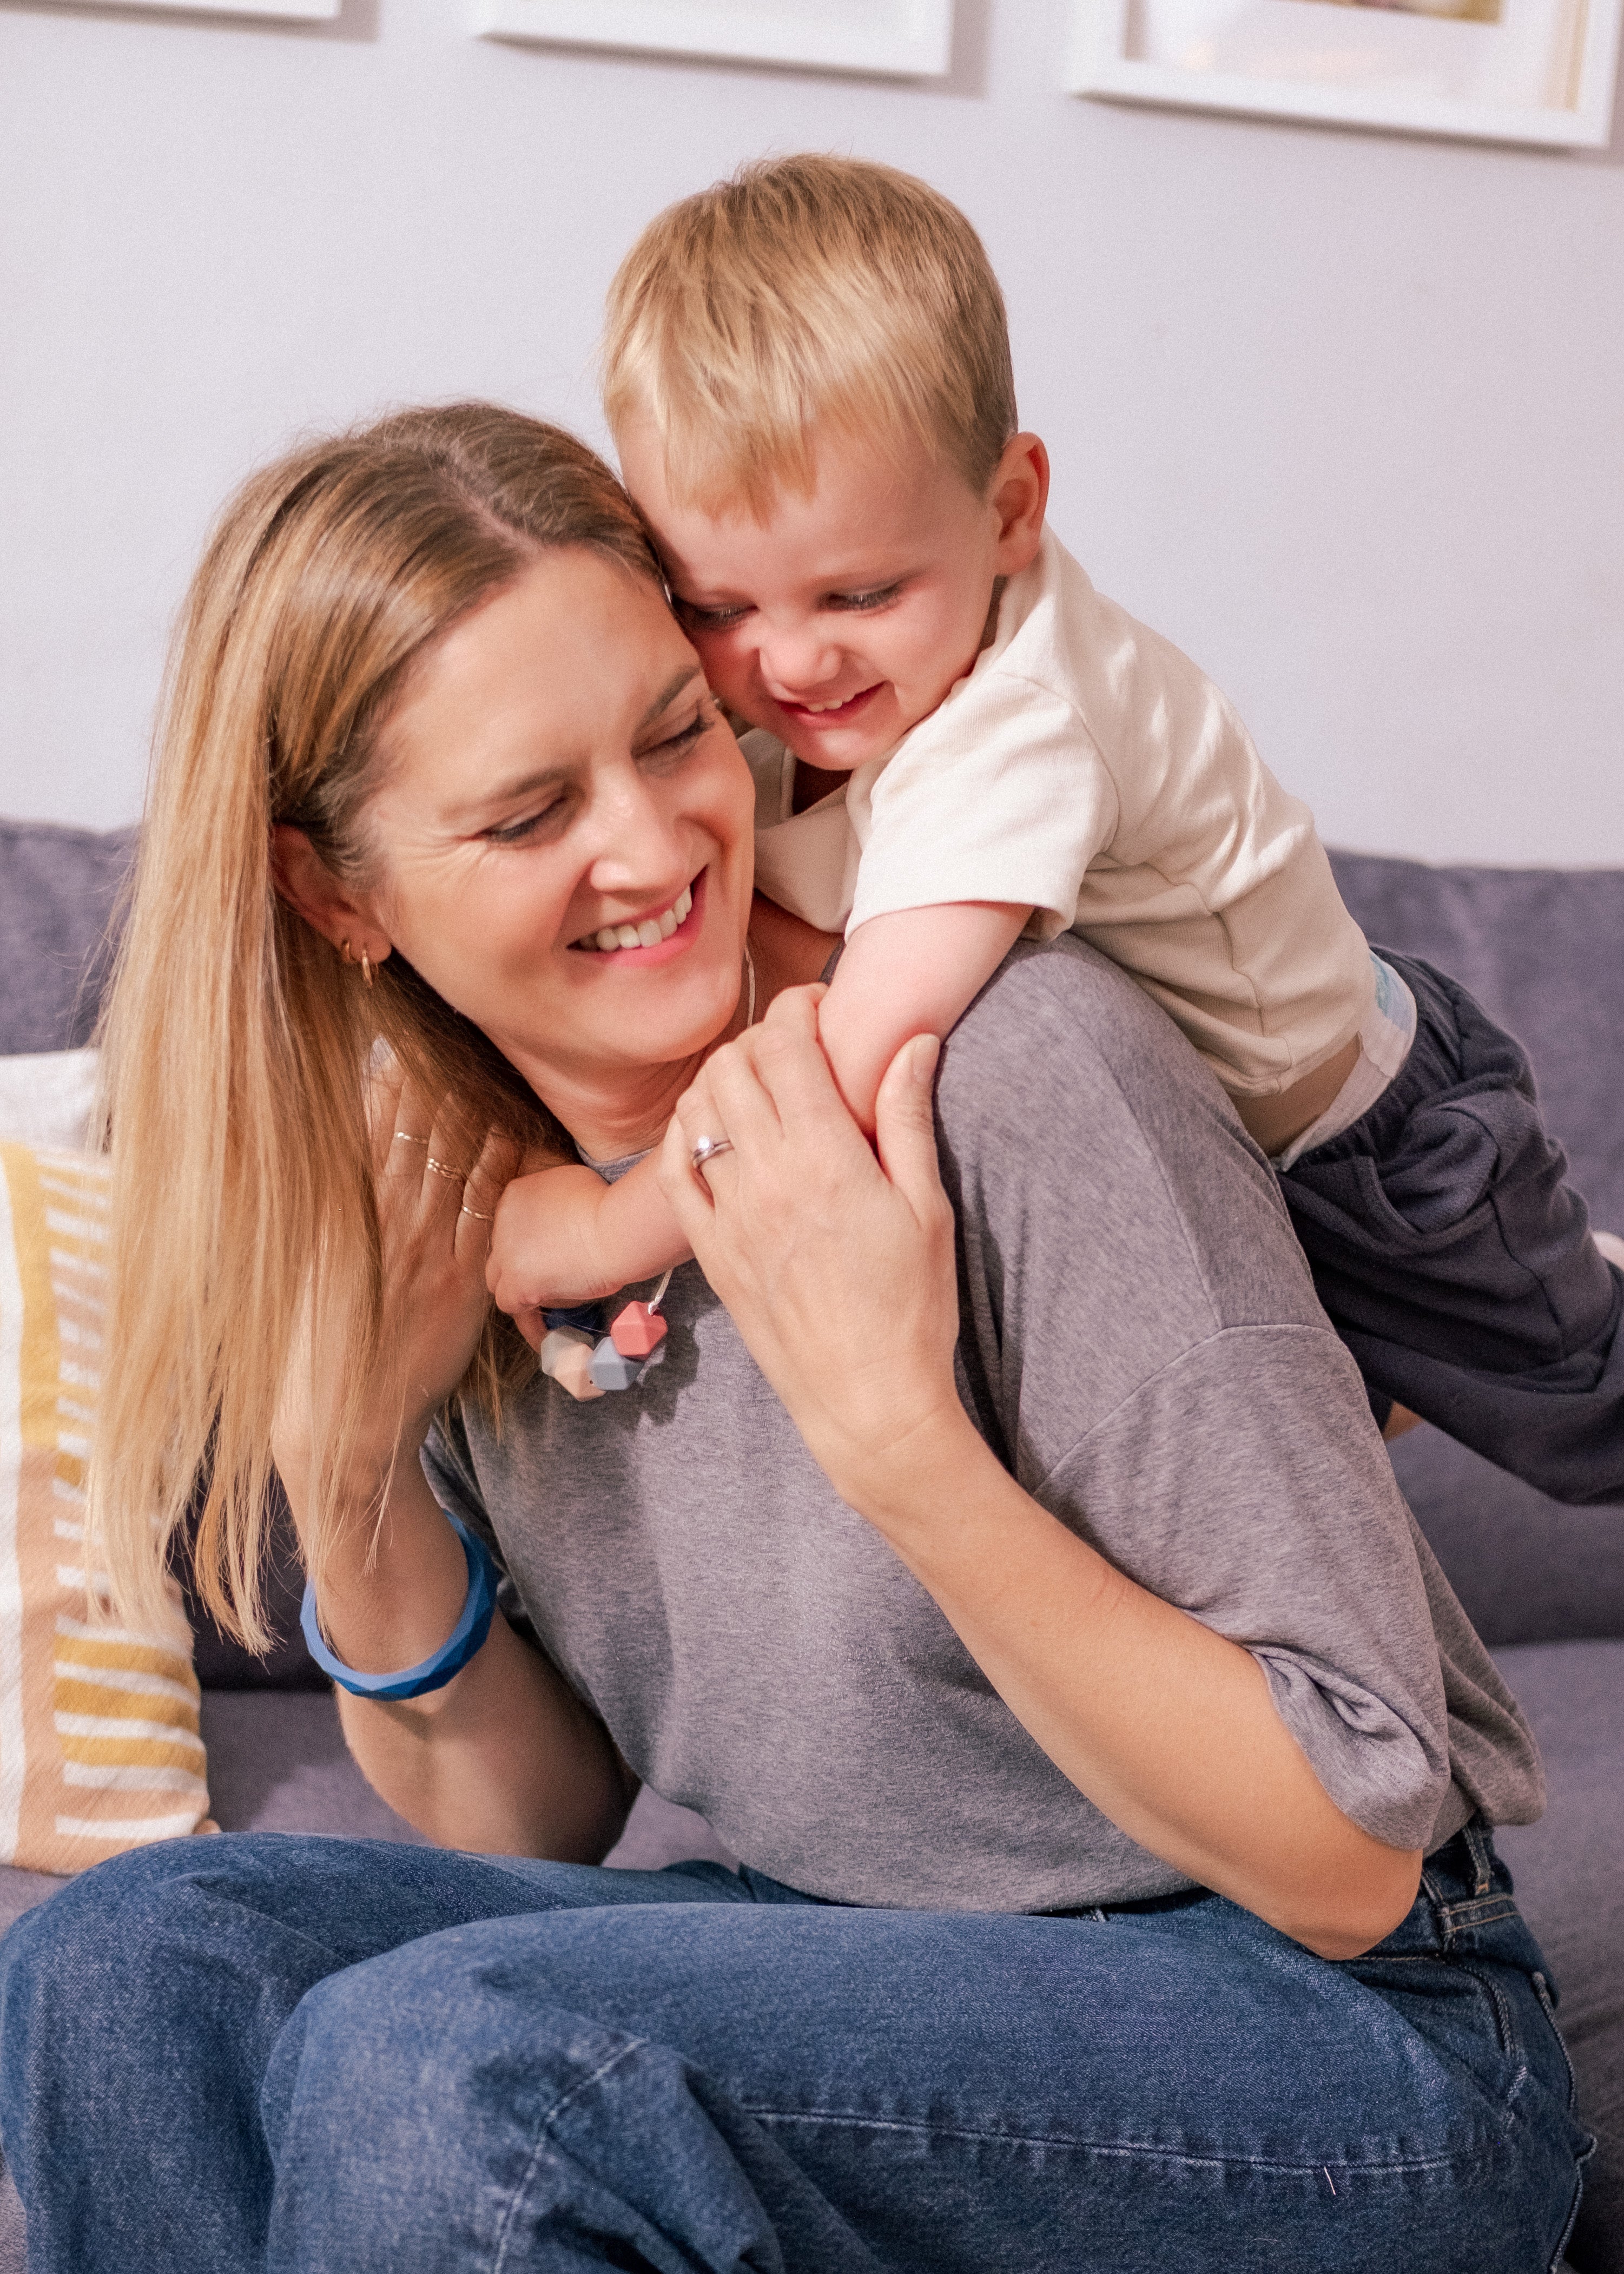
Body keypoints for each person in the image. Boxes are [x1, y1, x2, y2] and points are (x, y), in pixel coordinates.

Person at [0, 405, 1590, 2272]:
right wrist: (351, 1473)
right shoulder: (470, 1199)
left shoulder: (1004, 1070)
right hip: (859, 1952)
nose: (655, 840)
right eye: (528, 812)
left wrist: (894, 1432)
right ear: (332, 891)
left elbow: (1348, 1854)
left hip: (1349, 2038)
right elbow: (534, 1823)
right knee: (125, 1958)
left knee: (463, 2059)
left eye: (679, 733)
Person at [488, 154, 1624, 1508]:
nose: (787, 663)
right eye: (717, 606)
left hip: (1370, 1146)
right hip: (1198, 1162)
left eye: (857, 590)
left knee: (1586, 1415)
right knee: (1259, 1416)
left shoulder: (1017, 724)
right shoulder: (792, 714)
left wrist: (615, 1225)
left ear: (1013, 508)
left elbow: (857, 1064)